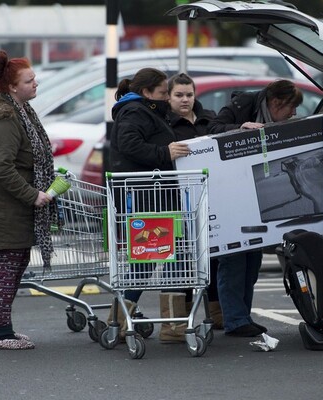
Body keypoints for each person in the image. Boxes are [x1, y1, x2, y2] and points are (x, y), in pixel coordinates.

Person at [0, 50, 56, 350]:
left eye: (34, 78)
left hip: (12, 201)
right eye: (29, 80)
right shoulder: (6, 118)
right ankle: (3, 333)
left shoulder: (21, 110)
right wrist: (32, 195)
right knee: (8, 263)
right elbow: (2, 166)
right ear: (12, 87)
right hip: (3, 202)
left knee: (18, 261)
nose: (36, 83)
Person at [208, 79, 304, 337]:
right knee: (233, 260)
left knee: (252, 261)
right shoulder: (241, 105)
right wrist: (239, 128)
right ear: (276, 103)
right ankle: (235, 320)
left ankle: (243, 316)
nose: (293, 114)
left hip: (256, 195)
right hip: (230, 194)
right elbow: (211, 128)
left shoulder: (275, 116)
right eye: (290, 108)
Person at [108, 68, 193, 343]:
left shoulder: (145, 110)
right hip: (147, 200)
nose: (168, 98)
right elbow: (129, 144)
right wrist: (164, 152)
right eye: (164, 93)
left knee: (172, 260)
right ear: (147, 93)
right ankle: (120, 322)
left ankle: (170, 326)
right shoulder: (135, 111)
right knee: (148, 261)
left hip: (159, 199)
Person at [167, 73, 223, 330]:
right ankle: (178, 320)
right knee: (181, 261)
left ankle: (217, 314)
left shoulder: (208, 117)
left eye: (189, 94)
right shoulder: (165, 124)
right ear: (169, 96)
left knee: (212, 258)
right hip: (179, 201)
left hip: (210, 199)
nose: (185, 99)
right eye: (179, 95)